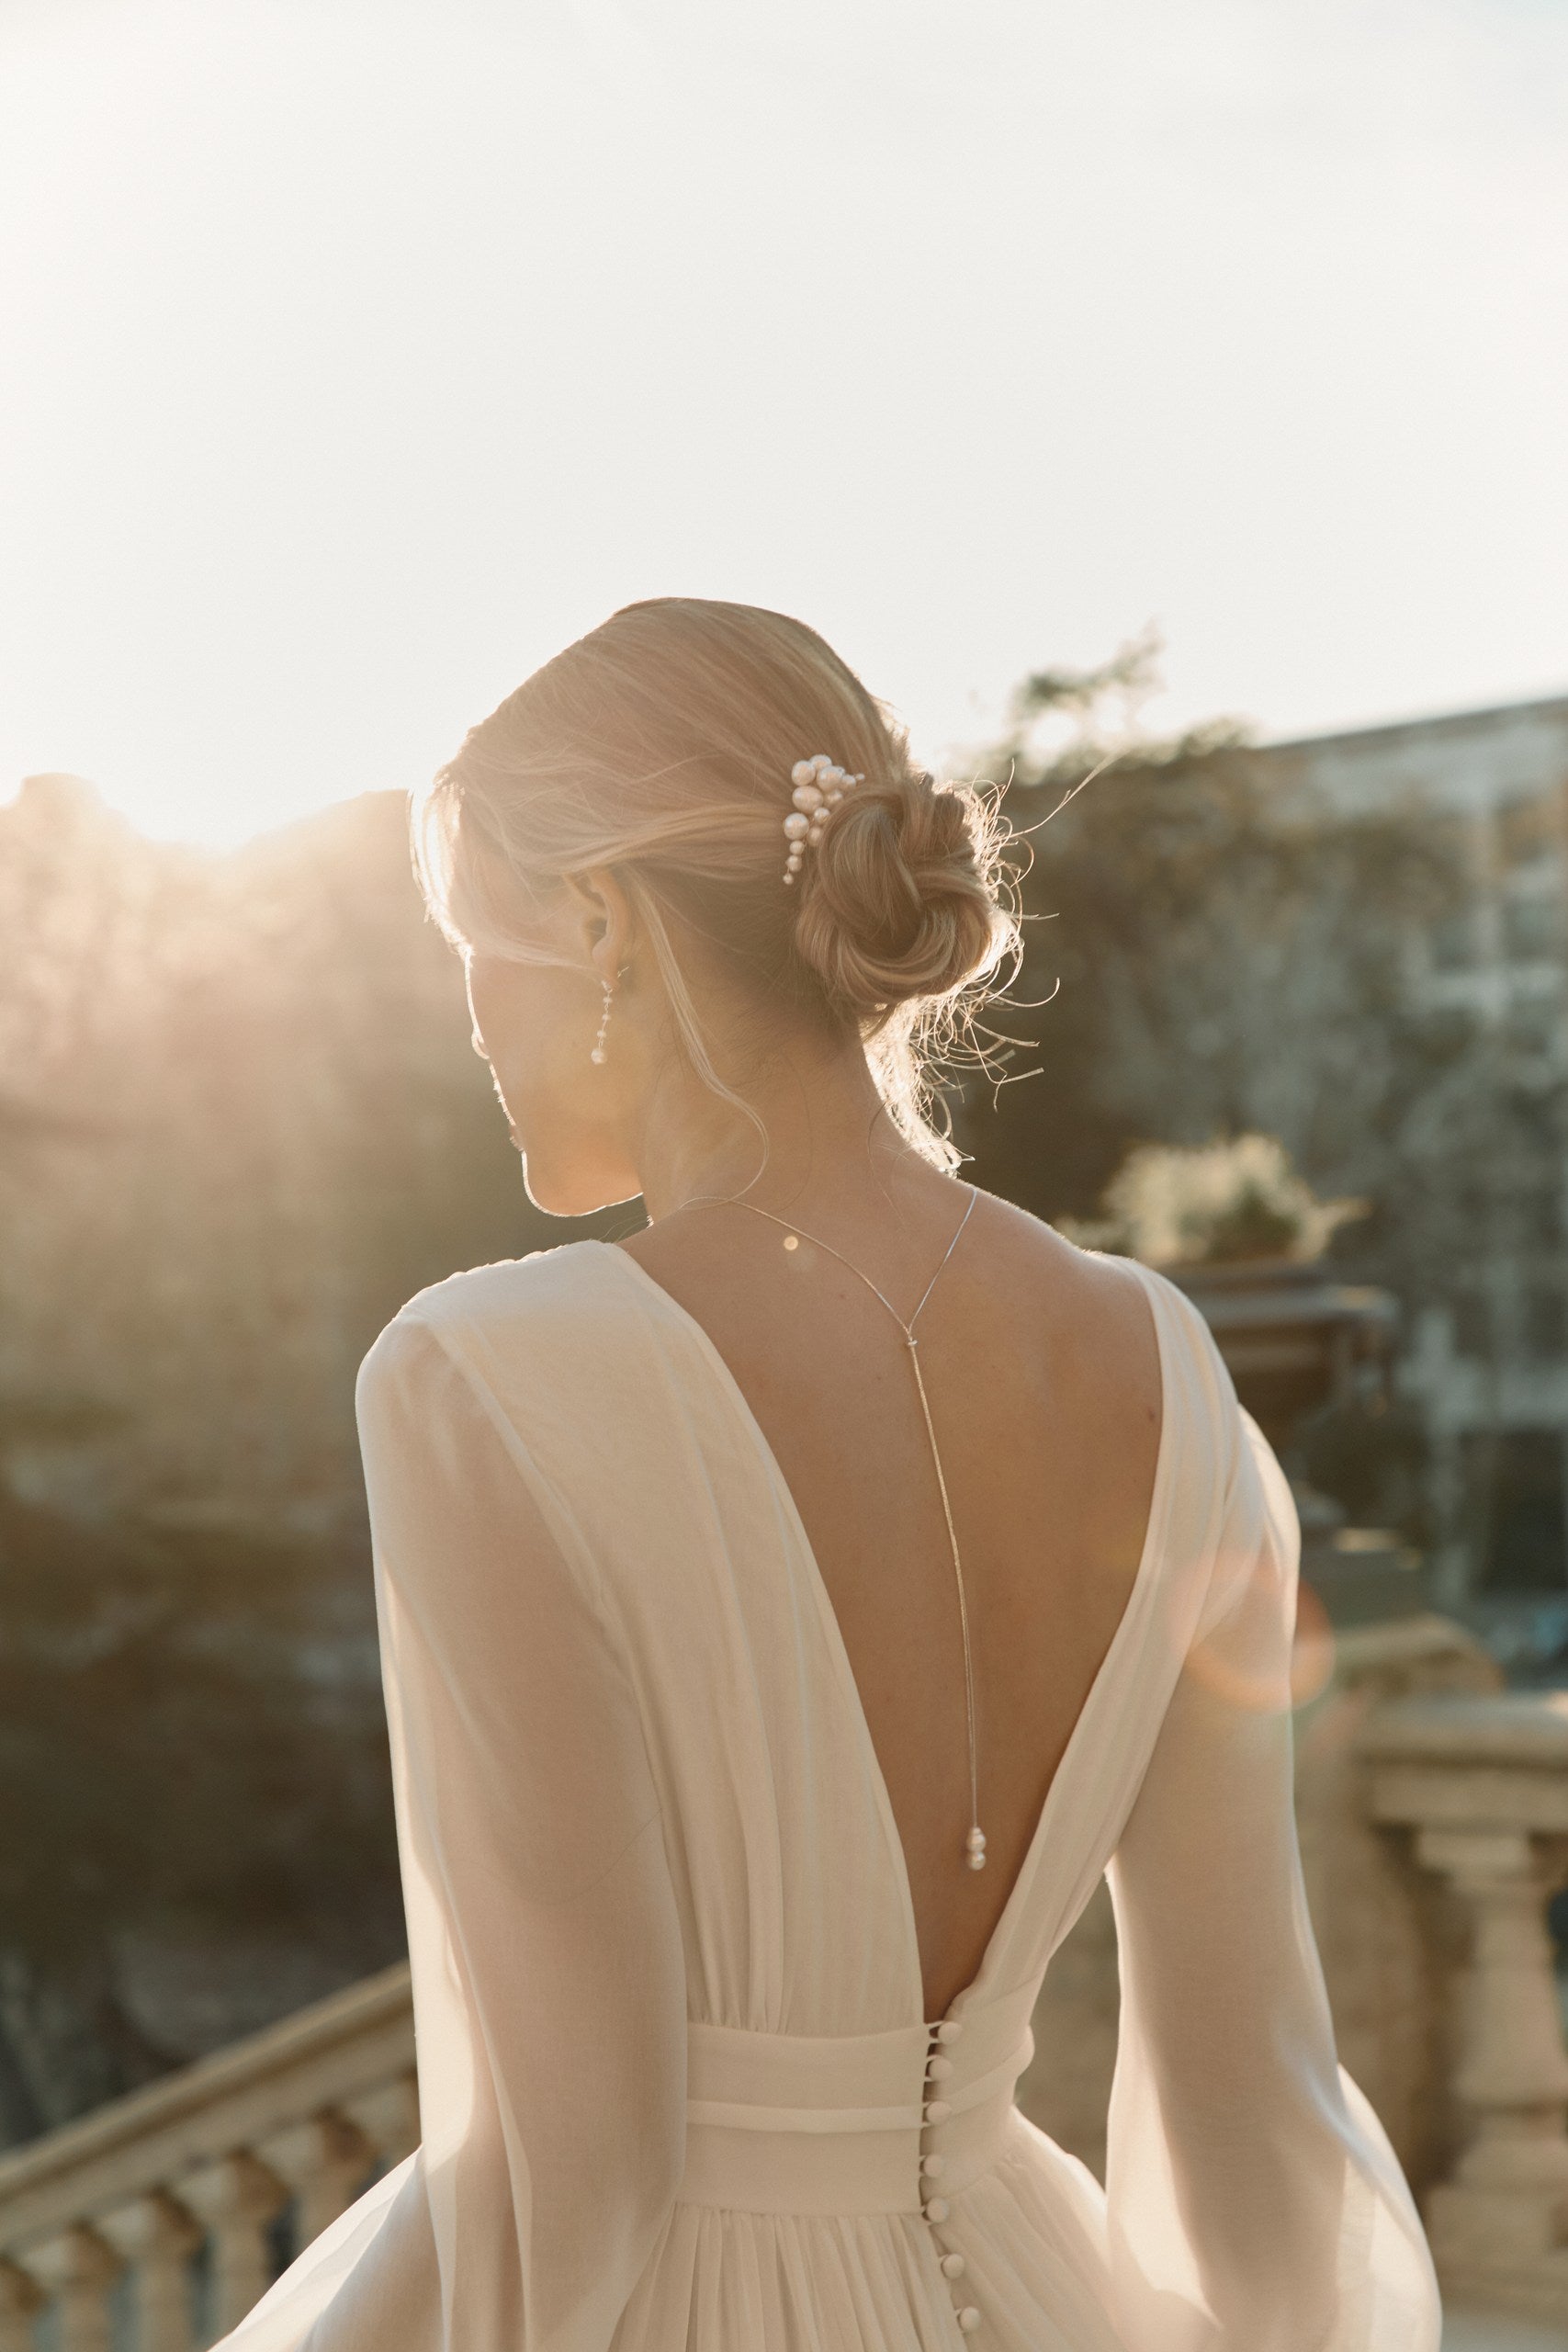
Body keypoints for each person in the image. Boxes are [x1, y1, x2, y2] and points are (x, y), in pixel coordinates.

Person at [220, 599, 1441, 2349]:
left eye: (473, 949)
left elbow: (580, 2172)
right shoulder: (1165, 1362)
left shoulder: (480, 1382)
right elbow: (1257, 2107)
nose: (472, 1027)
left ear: (600, 923)